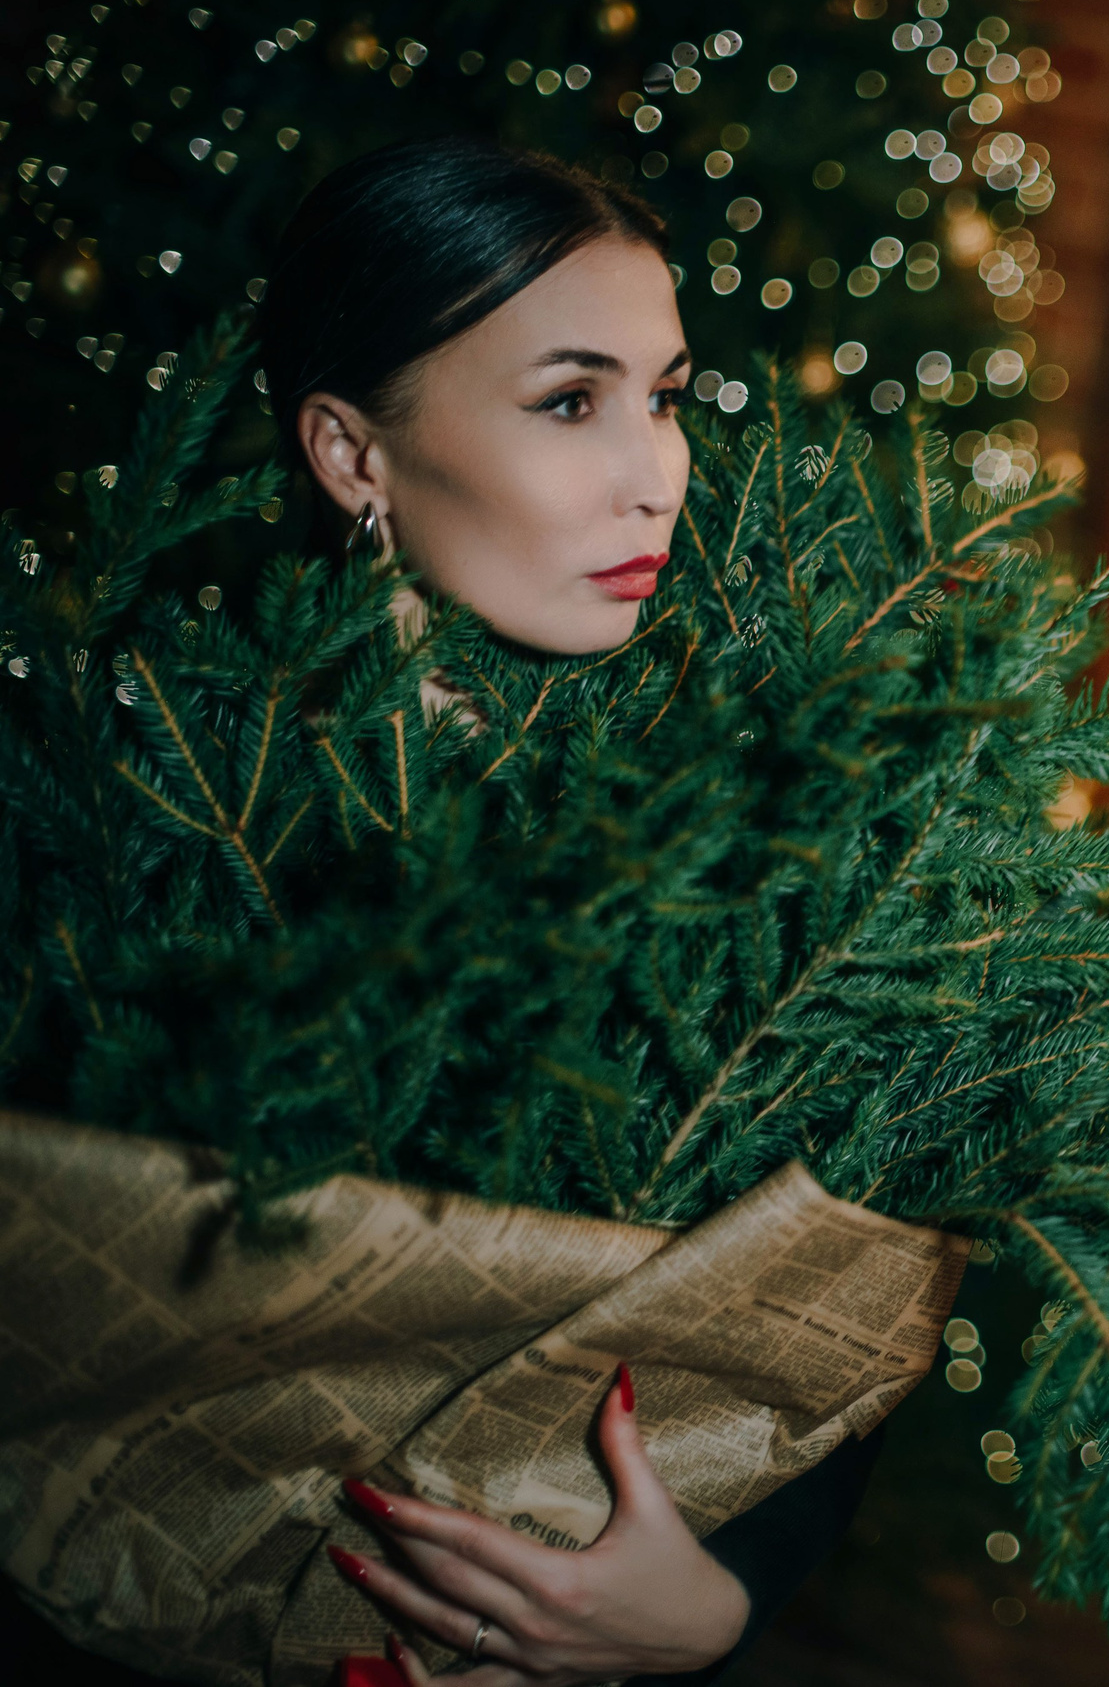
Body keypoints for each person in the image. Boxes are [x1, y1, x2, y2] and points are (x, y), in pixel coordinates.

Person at [33, 134, 878, 1687]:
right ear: (353, 454)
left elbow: (820, 1321)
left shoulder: (748, 836)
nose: (658, 469)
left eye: (668, 395)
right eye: (571, 401)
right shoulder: (127, 811)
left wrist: (705, 1601)